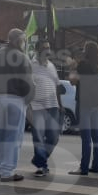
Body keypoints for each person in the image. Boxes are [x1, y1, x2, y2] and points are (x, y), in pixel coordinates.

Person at [0, 28, 34, 183]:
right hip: (16, 99)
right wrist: (28, 99)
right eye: (24, 40)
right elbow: (28, 82)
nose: (24, 42)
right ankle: (7, 171)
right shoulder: (21, 57)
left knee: (0, 134)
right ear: (18, 40)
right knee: (13, 136)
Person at [70, 42, 98, 175]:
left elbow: (73, 81)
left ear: (87, 51)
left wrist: (73, 68)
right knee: (96, 135)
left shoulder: (83, 65)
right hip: (96, 104)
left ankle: (84, 167)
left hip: (84, 103)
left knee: (86, 136)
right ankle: (96, 165)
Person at [28, 40, 61, 177]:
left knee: (54, 137)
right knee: (38, 137)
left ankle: (39, 160)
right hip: (37, 107)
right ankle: (42, 166)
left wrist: (60, 104)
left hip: (53, 106)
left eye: (49, 47)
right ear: (38, 50)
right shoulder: (31, 65)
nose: (47, 50)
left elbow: (57, 86)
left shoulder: (52, 66)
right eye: (44, 48)